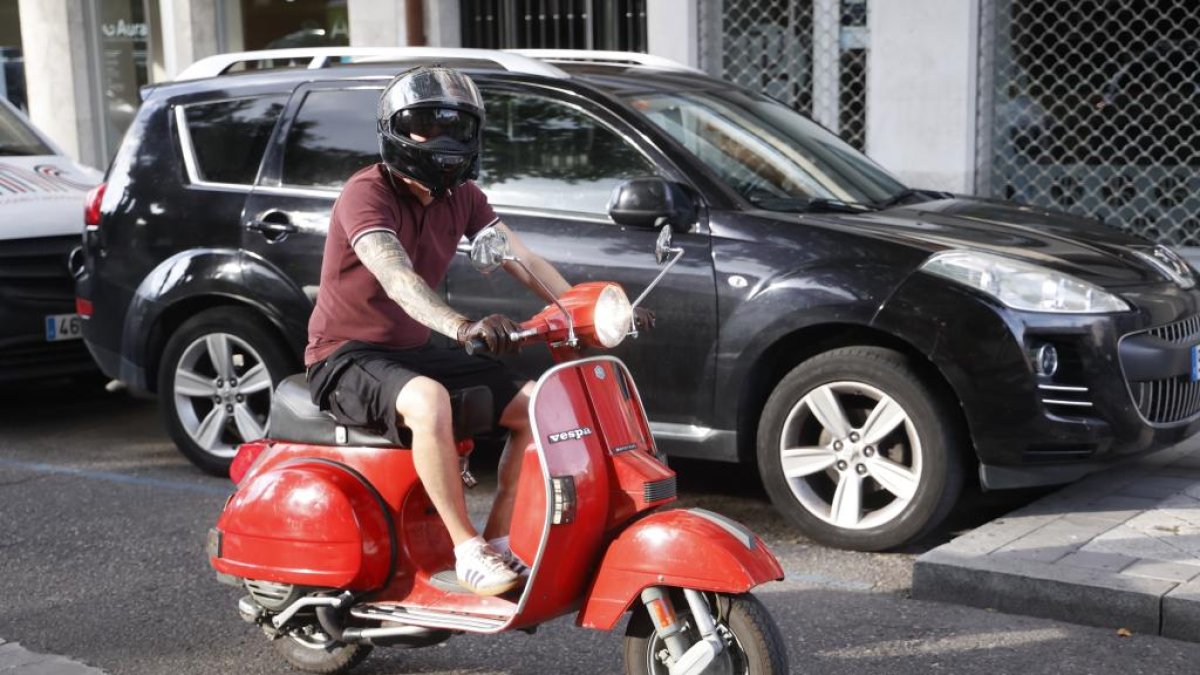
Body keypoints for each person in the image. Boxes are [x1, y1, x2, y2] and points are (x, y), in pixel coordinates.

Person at [304, 66, 650, 597]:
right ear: (396, 131)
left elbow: (521, 257)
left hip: (411, 349)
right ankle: (467, 549)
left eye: (456, 127)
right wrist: (461, 326)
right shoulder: (366, 194)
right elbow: (398, 278)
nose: (442, 140)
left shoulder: (461, 196)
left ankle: (501, 541)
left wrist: (592, 308)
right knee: (428, 401)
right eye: (424, 125)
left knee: (540, 407)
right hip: (346, 356)